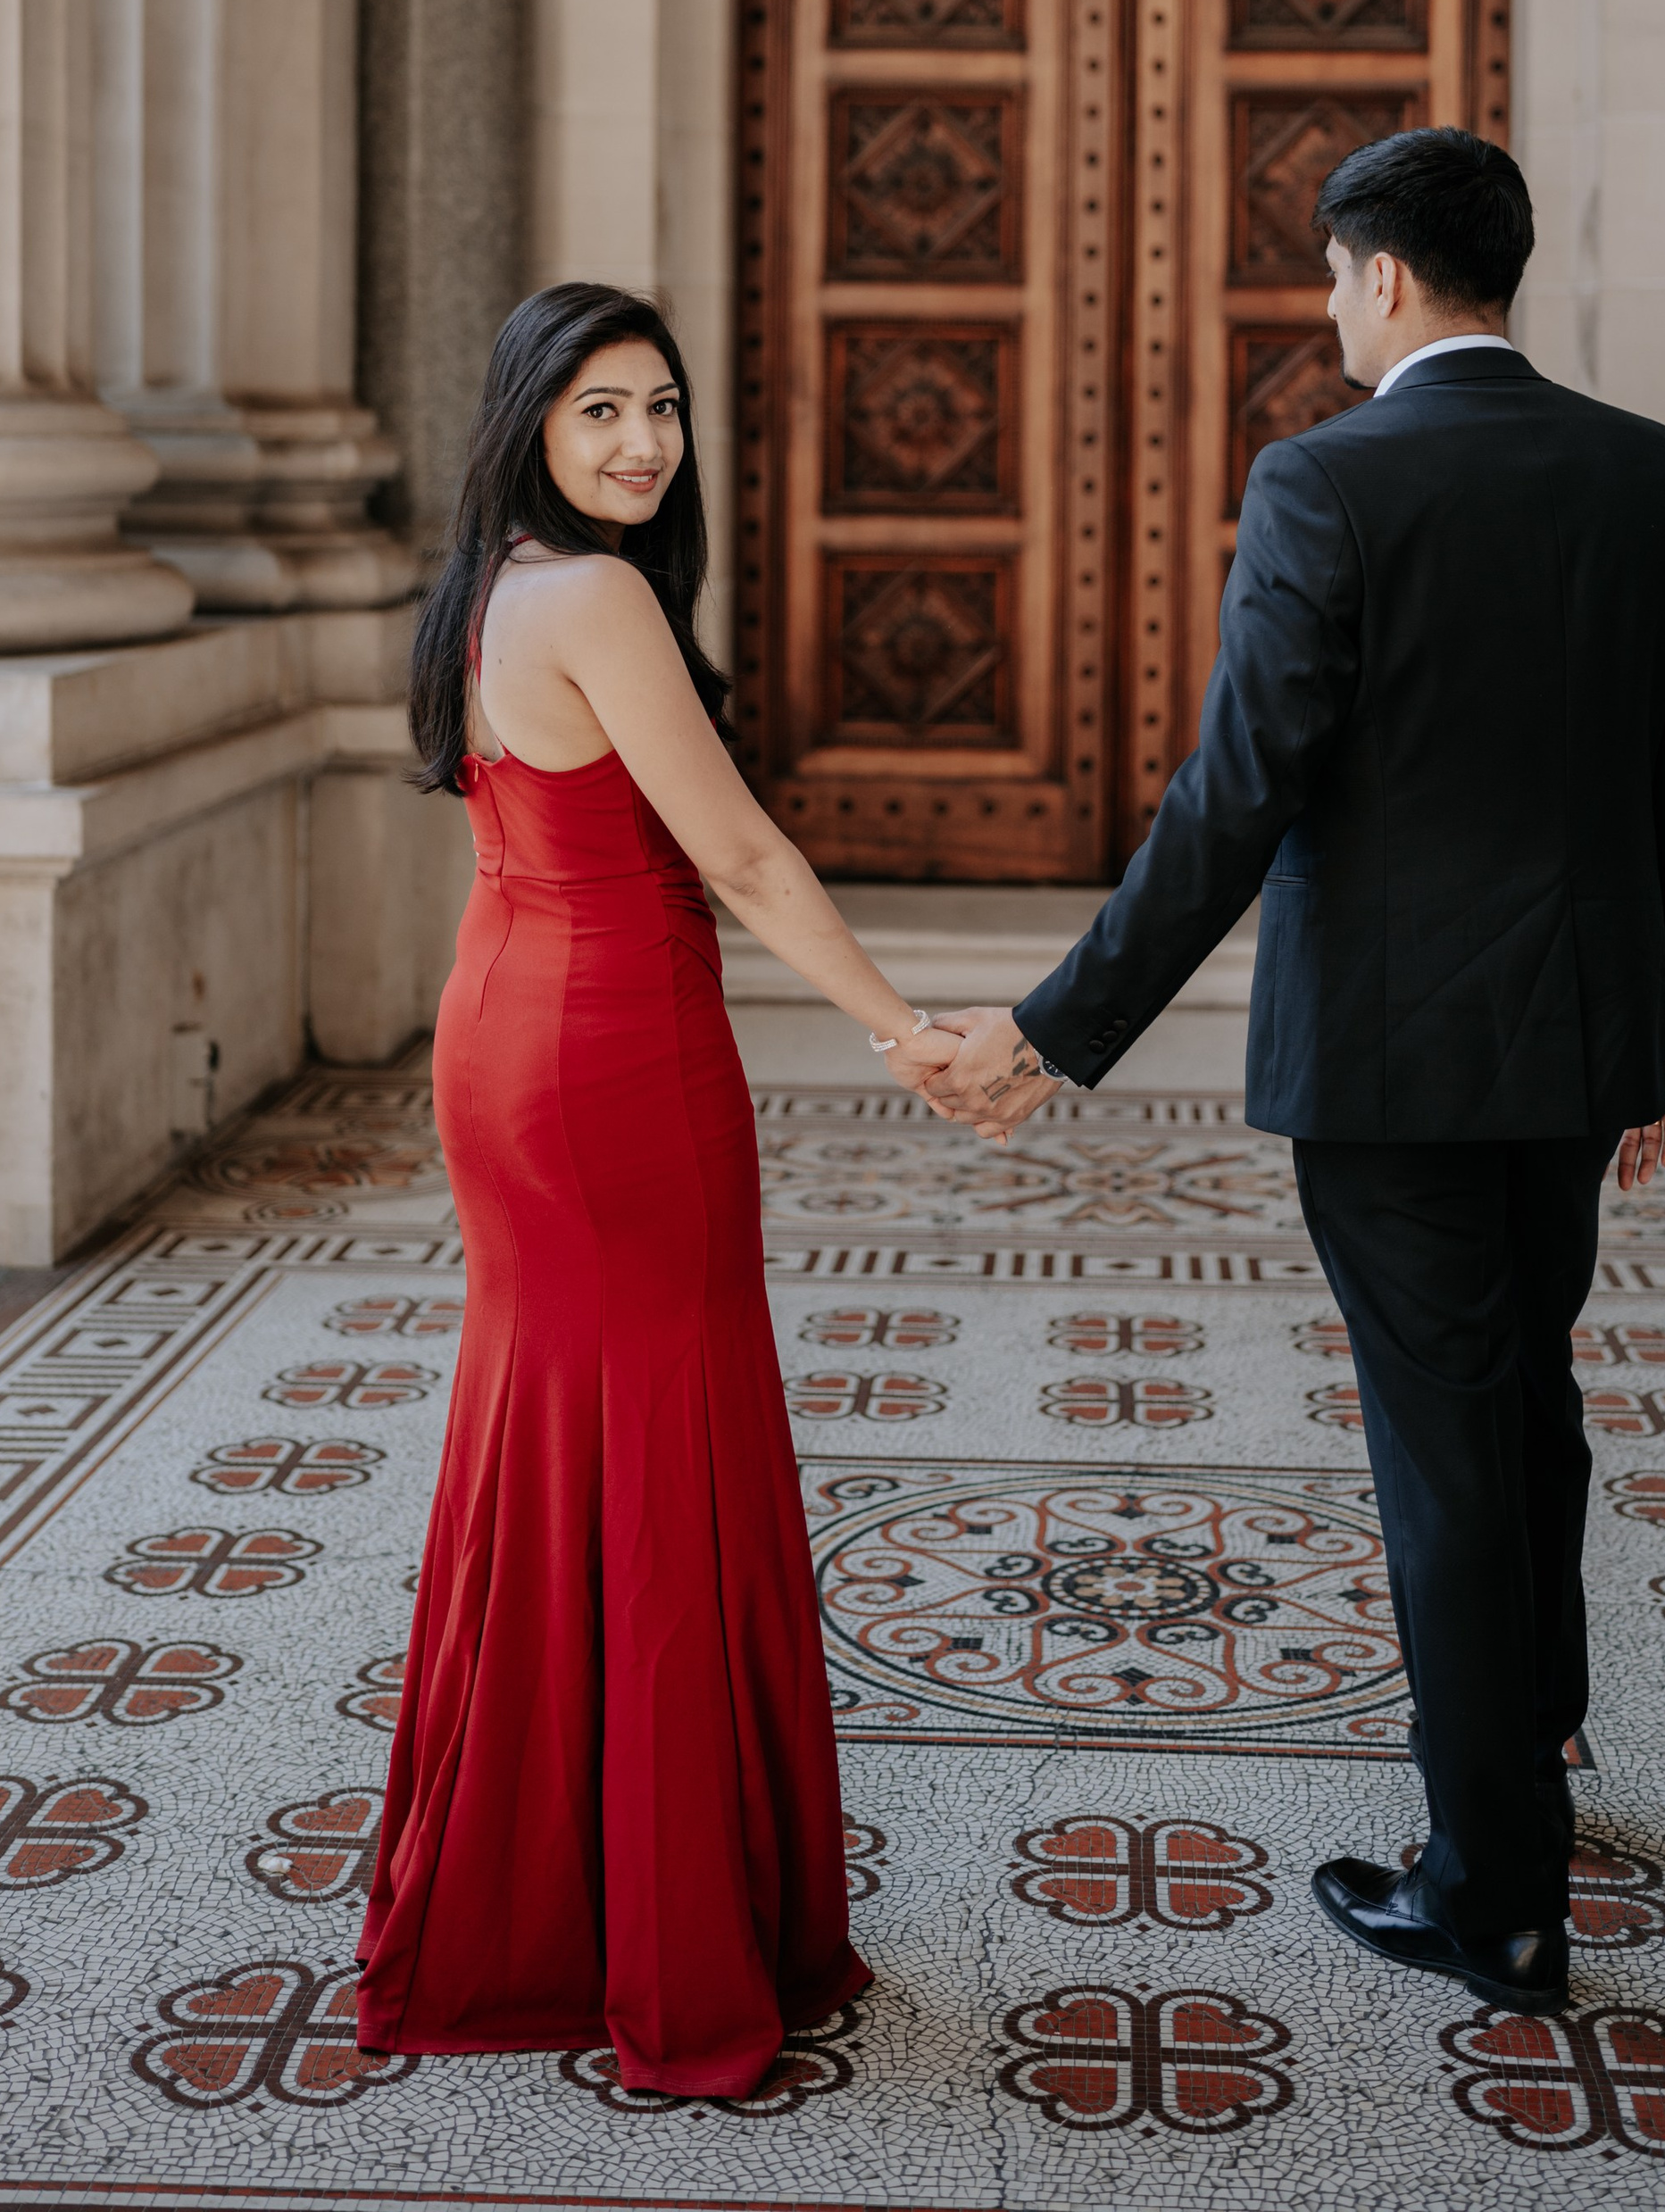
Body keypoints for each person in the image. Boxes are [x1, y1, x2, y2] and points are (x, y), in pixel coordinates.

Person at [921, 128, 1665, 2017]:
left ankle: (1493, 1901)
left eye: (1327, 283)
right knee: (1521, 1397)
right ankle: (1529, 1748)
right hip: (1578, 1035)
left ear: (1371, 278)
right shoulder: (1648, 472)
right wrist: (1663, 1038)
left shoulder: (1323, 479)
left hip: (1388, 1068)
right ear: (1500, 271)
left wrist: (1050, 1030)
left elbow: (1233, 793)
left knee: (1443, 1450)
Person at [356, 282, 963, 2093]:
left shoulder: (488, 584)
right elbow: (745, 855)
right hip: (607, 1059)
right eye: (598, 408)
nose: (639, 441)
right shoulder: (595, 593)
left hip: (513, 1034)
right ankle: (656, 1938)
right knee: (658, 1450)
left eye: (663, 408)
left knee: (561, 1445)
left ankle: (533, 1901)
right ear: (528, 421)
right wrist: (906, 1033)